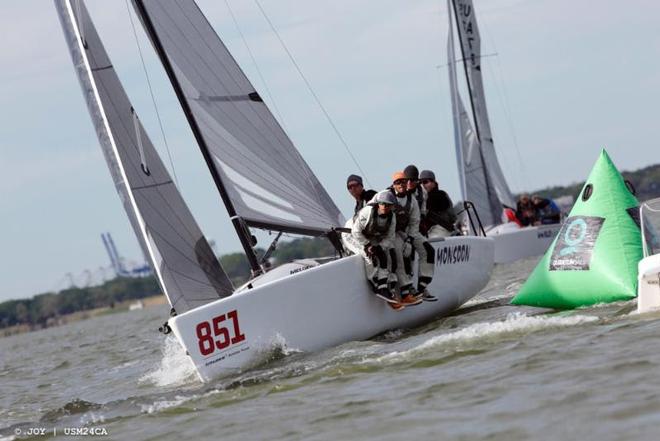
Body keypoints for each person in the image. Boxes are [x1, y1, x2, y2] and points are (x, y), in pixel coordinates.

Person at [390, 172, 436, 303]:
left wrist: (410, 240)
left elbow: (415, 222)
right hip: (391, 233)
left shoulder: (412, 200)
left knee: (428, 250)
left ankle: (422, 288)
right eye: (398, 182)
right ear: (393, 184)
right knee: (399, 253)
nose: (403, 184)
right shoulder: (386, 195)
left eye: (404, 182)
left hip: (407, 232)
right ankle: (406, 290)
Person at [351, 190, 400, 306]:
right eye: (382, 204)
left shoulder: (392, 217)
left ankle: (383, 286)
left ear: (392, 206)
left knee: (383, 255)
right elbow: (356, 232)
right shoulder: (367, 212)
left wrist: (380, 247)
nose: (384, 207)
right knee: (369, 257)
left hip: (370, 236)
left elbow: (390, 237)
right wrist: (367, 245)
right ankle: (375, 285)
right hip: (352, 234)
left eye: (388, 205)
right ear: (378, 204)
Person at [419, 170, 457, 238]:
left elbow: (452, 217)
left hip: (441, 231)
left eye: (425, 182)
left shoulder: (440, 196)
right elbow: (453, 217)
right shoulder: (443, 194)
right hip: (427, 233)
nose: (423, 185)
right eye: (420, 182)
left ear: (433, 182)